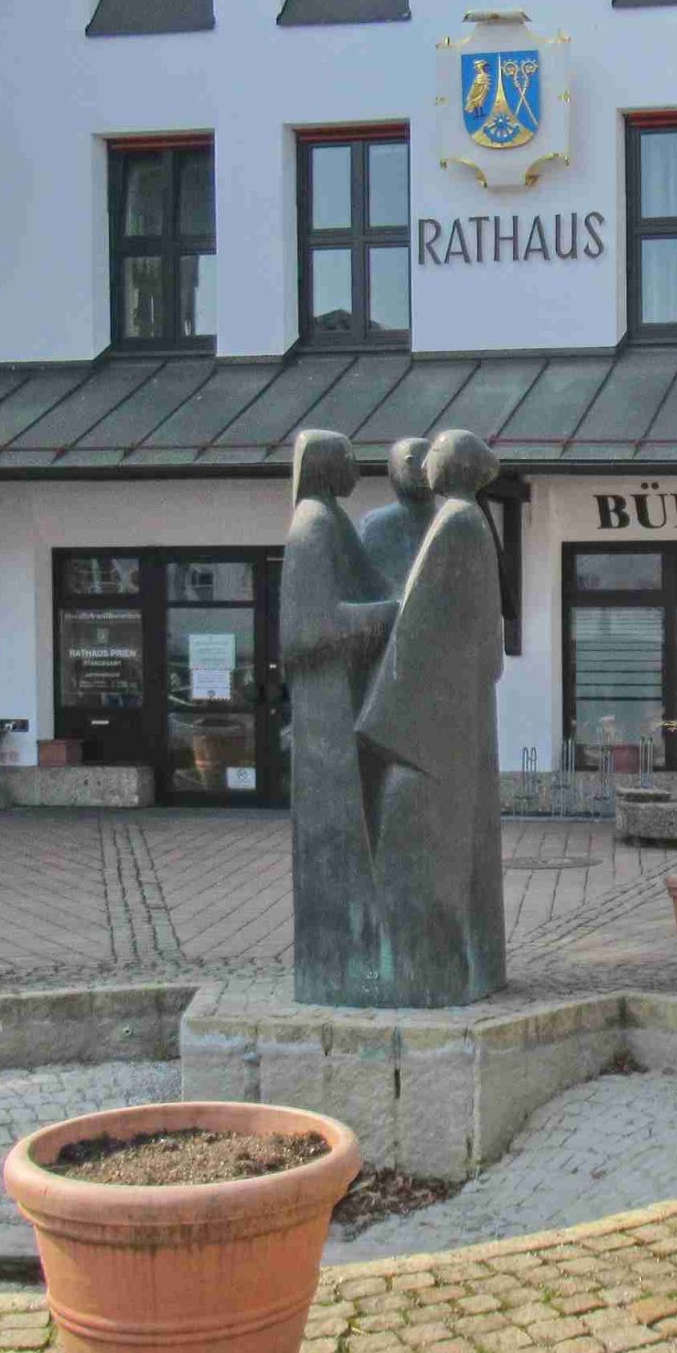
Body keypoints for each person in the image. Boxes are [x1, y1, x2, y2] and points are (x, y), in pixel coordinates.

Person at [355, 430, 507, 1006]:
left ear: (451, 466)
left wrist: (381, 719)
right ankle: (446, 965)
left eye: (434, 454)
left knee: (413, 840)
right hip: (450, 716)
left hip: (429, 730)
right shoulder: (469, 522)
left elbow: (417, 632)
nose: (425, 464)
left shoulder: (455, 524)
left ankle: (427, 970)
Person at [281, 431, 401, 1006]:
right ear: (329, 465)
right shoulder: (312, 525)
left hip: (344, 702)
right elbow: (305, 632)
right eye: (350, 457)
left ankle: (361, 960)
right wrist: (386, 615)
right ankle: (334, 964)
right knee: (335, 837)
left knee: (357, 839)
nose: (358, 467)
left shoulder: (333, 522)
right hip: (326, 710)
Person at [359, 436, 435, 591]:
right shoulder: (376, 525)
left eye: (428, 461)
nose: (422, 469)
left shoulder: (452, 520)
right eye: (410, 462)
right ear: (393, 472)